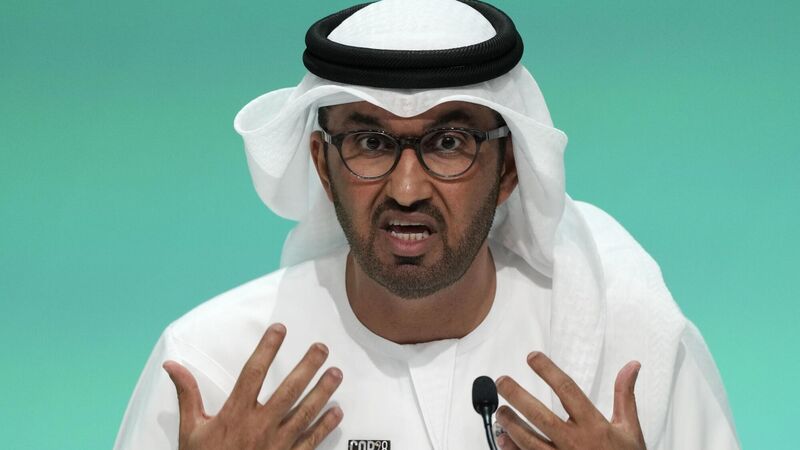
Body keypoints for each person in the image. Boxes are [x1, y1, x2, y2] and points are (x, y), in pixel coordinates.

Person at [113, 0, 740, 449]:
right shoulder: (210, 370)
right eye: (370, 142)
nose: (406, 190)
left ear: (509, 168)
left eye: (448, 142)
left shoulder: (629, 353)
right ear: (323, 166)